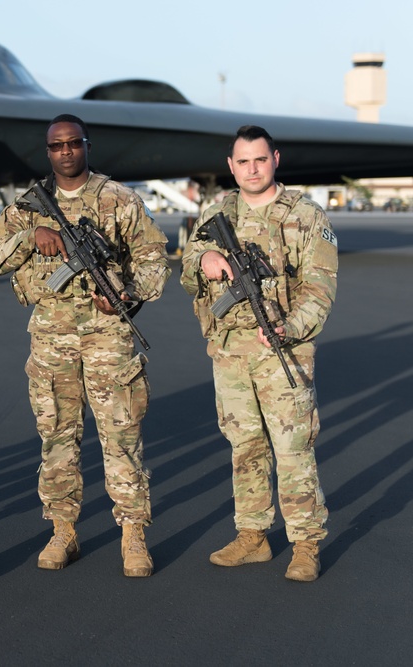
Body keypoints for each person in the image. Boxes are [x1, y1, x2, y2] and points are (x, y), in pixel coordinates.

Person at [0, 114, 170, 577]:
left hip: (110, 337)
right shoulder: (29, 206)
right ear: (48, 152)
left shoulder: (119, 199)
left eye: (73, 143)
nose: (65, 151)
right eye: (56, 145)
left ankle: (133, 536)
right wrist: (33, 235)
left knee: (122, 438)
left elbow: (154, 261)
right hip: (51, 337)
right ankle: (63, 531)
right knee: (57, 439)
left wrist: (127, 297)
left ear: (86, 145)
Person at [181, 125, 336, 582]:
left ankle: (305, 544)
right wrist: (204, 263)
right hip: (230, 351)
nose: (252, 169)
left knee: (293, 447)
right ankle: (252, 536)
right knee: (244, 446)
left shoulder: (306, 215)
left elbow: (320, 290)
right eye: (243, 161)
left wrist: (290, 327)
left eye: (260, 160)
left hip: (283, 349)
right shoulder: (216, 214)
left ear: (276, 160)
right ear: (231, 166)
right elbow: (189, 271)